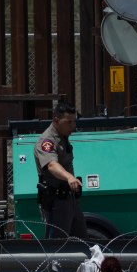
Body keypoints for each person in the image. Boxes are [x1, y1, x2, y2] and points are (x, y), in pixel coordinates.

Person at [35, 101, 87, 239]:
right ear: (56, 121)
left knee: (81, 239)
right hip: (57, 200)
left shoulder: (63, 137)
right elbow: (51, 165)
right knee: (58, 244)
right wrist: (69, 177)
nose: (73, 126)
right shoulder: (47, 140)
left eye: (74, 121)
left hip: (70, 198)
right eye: (69, 122)